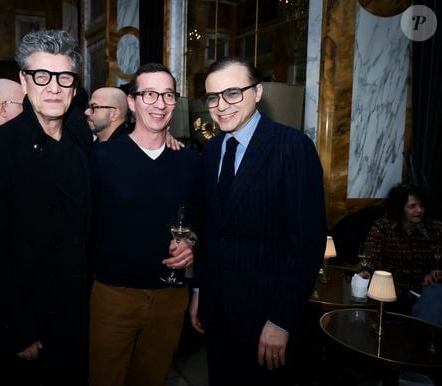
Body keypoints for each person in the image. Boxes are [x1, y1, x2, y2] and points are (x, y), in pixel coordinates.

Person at [189, 56, 326, 385]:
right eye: (212, 97)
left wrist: (281, 319)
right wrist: (198, 291)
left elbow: (306, 244)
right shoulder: (210, 152)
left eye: (232, 93)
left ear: (258, 92)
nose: (221, 105)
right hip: (217, 311)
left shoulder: (292, 147)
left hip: (267, 317)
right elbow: (210, 232)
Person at [0, 30, 92, 386]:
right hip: (23, 326)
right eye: (42, 76)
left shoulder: (80, 139)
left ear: (73, 84)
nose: (53, 87)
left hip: (73, 318)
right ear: (24, 80)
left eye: (63, 77)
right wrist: (16, 328)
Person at [89, 63, 198, 386]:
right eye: (149, 94)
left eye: (167, 95)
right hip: (114, 295)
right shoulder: (101, 158)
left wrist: (192, 240)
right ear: (132, 102)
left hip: (170, 297)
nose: (159, 103)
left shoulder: (190, 161)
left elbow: (200, 218)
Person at [364, 184, 442, 317]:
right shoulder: (383, 227)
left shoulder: (435, 228)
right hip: (393, 290)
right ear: (399, 209)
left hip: (426, 291)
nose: (419, 210)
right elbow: (372, 260)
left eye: (421, 205)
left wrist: (438, 272)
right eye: (412, 206)